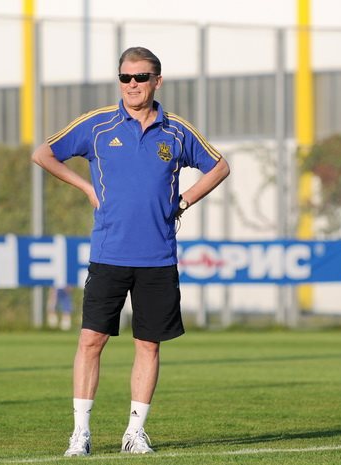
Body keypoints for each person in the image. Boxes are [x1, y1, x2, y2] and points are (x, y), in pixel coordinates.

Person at [31, 46, 230, 456]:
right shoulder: (98, 125)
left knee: (149, 344)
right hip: (108, 253)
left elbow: (219, 166)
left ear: (157, 81)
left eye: (140, 77)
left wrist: (185, 200)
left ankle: (134, 433)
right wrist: (85, 187)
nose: (132, 85)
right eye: (125, 77)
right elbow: (43, 154)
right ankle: (80, 434)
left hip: (158, 257)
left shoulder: (176, 131)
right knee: (91, 340)